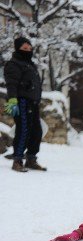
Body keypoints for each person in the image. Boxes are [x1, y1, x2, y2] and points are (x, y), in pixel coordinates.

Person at [3, 37, 46, 172]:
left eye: (29, 48)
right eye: (24, 48)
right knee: (23, 131)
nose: (28, 50)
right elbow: (12, 84)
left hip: (32, 102)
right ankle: (17, 160)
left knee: (37, 131)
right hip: (21, 101)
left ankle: (31, 158)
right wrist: (12, 100)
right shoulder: (13, 64)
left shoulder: (30, 65)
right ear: (18, 49)